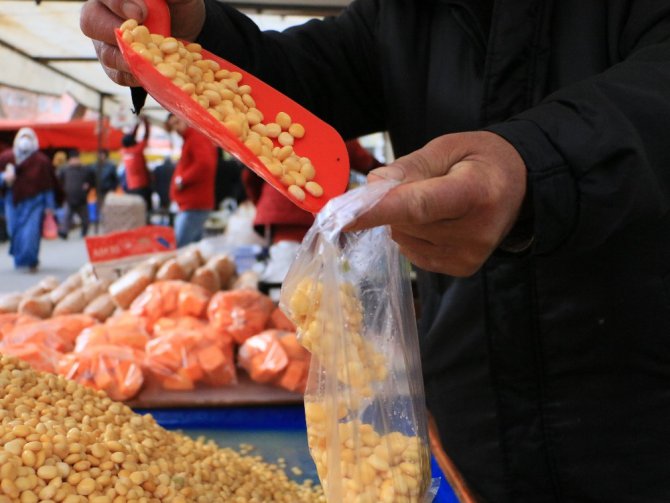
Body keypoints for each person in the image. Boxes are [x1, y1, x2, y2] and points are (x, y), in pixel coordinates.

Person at [81, 2, 670, 501]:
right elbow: (306, 80)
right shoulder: (411, 10)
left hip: (638, 416)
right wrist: (199, 35)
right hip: (475, 416)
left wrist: (535, 166)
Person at [0, 128, 61, 271]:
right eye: (23, 137)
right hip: (12, 201)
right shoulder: (6, 158)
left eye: (28, 137)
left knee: (30, 233)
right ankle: (20, 259)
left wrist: (50, 207)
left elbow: (48, 185)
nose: (25, 141)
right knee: (14, 231)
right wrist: (4, 177)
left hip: (34, 203)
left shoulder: (41, 161)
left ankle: (31, 259)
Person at [165, 113, 218, 247]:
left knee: (180, 248)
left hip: (194, 205)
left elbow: (205, 163)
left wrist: (182, 180)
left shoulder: (196, 137)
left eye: (177, 122)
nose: (176, 128)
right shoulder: (192, 138)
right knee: (191, 250)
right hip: (193, 205)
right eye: (173, 125)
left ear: (185, 118)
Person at [58, 149, 95, 239]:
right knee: (66, 217)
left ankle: (84, 232)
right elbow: (59, 182)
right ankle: (64, 232)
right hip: (69, 198)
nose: (74, 161)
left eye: (76, 159)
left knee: (85, 219)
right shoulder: (64, 170)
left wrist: (88, 186)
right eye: (72, 159)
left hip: (82, 198)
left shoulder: (85, 169)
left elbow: (92, 181)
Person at [121, 115, 152, 214]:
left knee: (135, 211)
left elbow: (131, 137)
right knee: (145, 209)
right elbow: (146, 136)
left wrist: (137, 124)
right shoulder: (137, 151)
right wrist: (146, 122)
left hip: (131, 186)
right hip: (141, 186)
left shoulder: (124, 152)